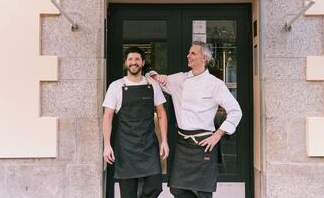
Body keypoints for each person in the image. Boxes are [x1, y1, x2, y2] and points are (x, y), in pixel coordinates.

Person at [150, 41, 242, 198]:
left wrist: (218, 134)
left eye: (193, 53)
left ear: (204, 57)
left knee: (204, 193)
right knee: (176, 189)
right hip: (183, 143)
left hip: (203, 144)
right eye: (189, 52)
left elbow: (236, 111)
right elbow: (152, 80)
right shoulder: (180, 79)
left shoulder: (215, 84)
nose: (188, 55)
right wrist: (154, 75)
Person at [102, 46, 169, 198]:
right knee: (128, 194)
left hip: (148, 146)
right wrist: (107, 145)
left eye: (137, 59)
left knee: (155, 186)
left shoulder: (152, 84)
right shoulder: (116, 86)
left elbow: (161, 113)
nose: (134, 62)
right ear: (126, 63)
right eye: (130, 59)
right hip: (126, 148)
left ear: (143, 62)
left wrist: (164, 140)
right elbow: (107, 116)